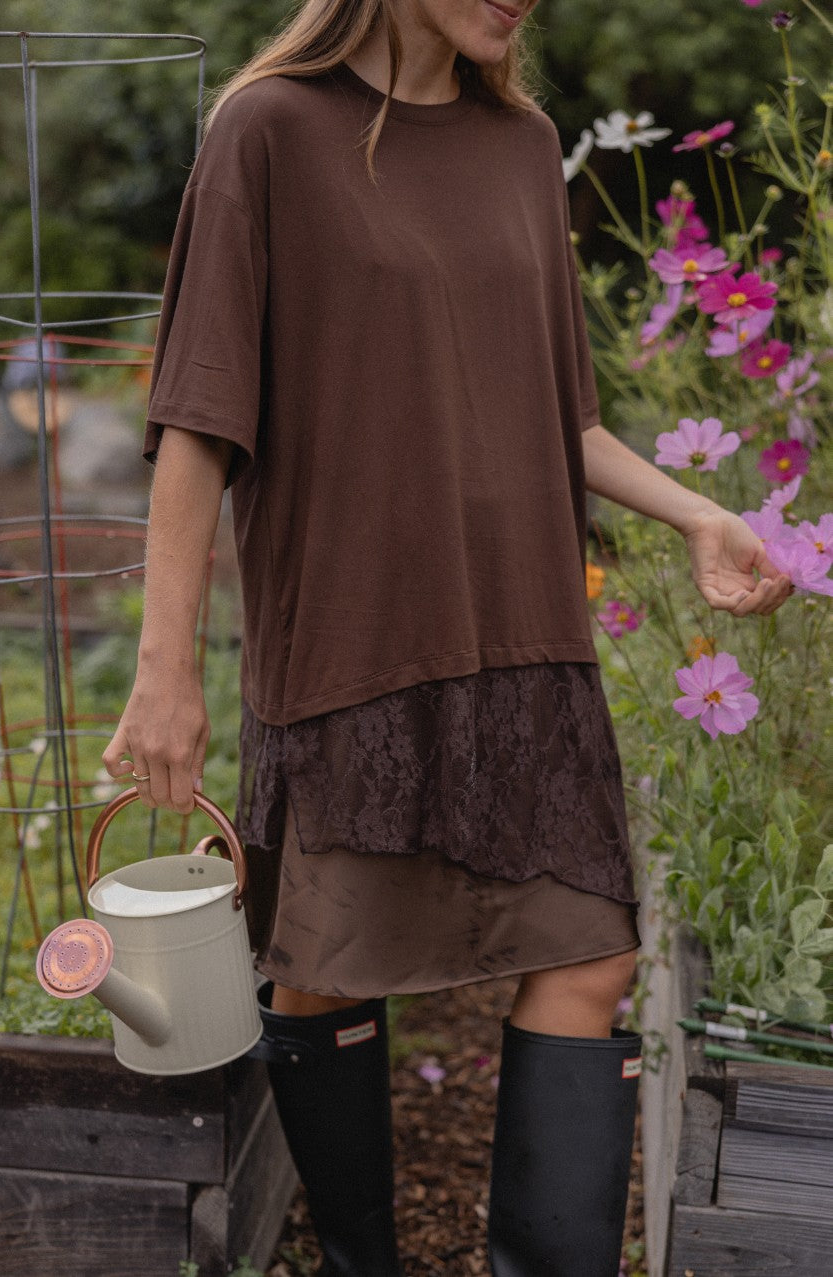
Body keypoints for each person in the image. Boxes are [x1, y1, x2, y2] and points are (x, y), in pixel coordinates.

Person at [103, 2, 792, 1273]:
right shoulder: (267, 131)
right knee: (328, 970)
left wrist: (702, 512)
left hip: (527, 638)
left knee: (591, 957)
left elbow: (563, 416)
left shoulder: (521, 145)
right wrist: (164, 673)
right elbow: (198, 420)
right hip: (353, 645)